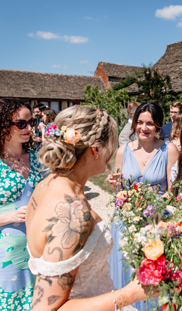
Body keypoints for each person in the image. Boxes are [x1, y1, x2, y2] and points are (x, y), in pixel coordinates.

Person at [26, 105, 147, 310]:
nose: (113, 151)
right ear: (96, 149)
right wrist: (128, 295)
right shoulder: (73, 212)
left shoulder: (46, 185)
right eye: (112, 144)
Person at [106, 103, 179, 310]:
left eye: (150, 123)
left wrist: (150, 208)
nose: (144, 128)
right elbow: (119, 190)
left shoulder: (169, 150)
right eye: (139, 123)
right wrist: (115, 187)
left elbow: (173, 191)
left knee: (150, 272)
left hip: (156, 220)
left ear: (158, 126)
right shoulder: (122, 151)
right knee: (126, 269)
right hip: (125, 221)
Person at [0, 98, 48, 311]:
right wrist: (10, 217)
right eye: (21, 124)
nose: (29, 128)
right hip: (8, 257)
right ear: (2, 124)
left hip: (42, 253)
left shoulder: (38, 158)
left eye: (30, 122)